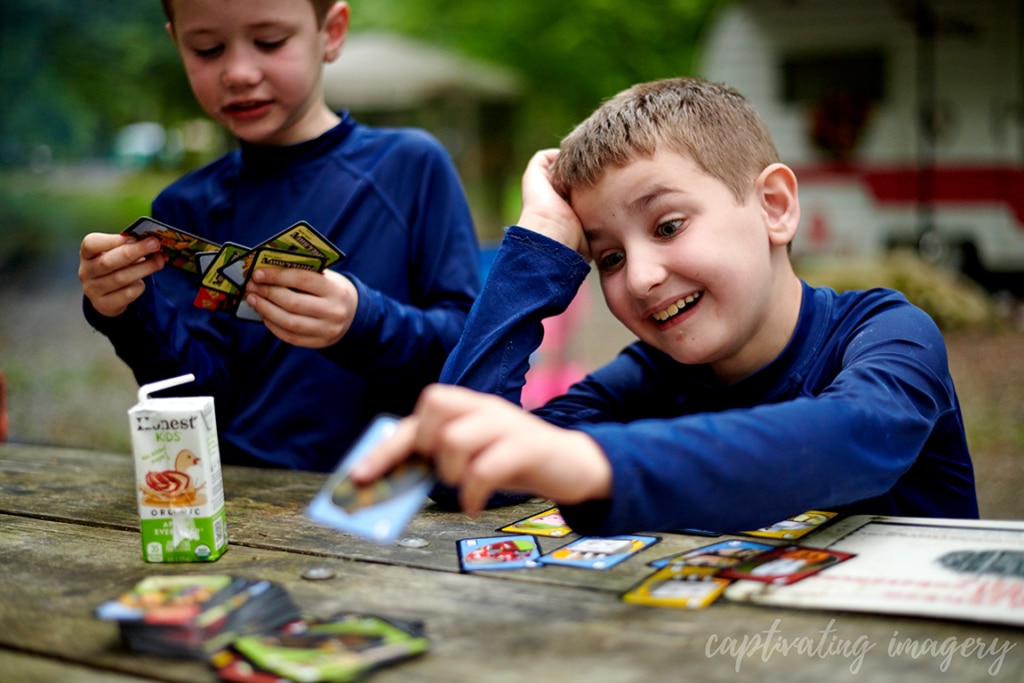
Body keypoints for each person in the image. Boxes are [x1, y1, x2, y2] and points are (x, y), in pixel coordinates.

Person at [351, 77, 979, 536]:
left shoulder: (890, 333)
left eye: (669, 225)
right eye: (608, 259)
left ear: (775, 207)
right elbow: (465, 475)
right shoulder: (651, 377)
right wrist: (539, 243)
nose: (643, 277)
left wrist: (591, 462)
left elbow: (848, 439)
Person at [78, 0, 480, 471]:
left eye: (270, 42)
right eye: (207, 49)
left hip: (388, 496)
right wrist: (126, 309)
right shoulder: (183, 208)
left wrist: (363, 319)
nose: (239, 73)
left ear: (330, 33)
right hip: (242, 499)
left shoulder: (411, 166)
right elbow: (196, 397)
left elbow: (471, 355)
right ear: (177, 44)